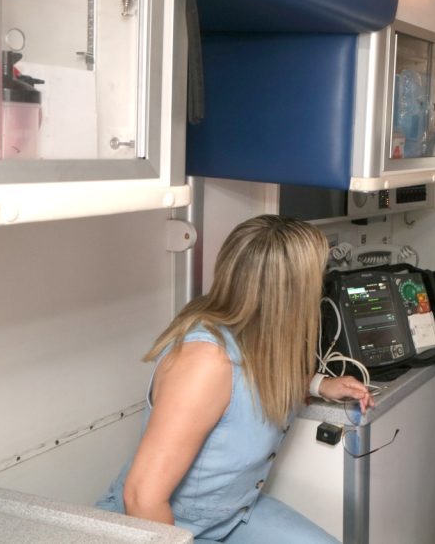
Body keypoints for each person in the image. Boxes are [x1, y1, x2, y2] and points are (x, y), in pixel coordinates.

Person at [97, 215, 373, 543]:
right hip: (166, 526)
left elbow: (250, 388)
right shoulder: (205, 361)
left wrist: (318, 385)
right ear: (291, 291)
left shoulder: (260, 334)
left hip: (231, 515)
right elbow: (142, 498)